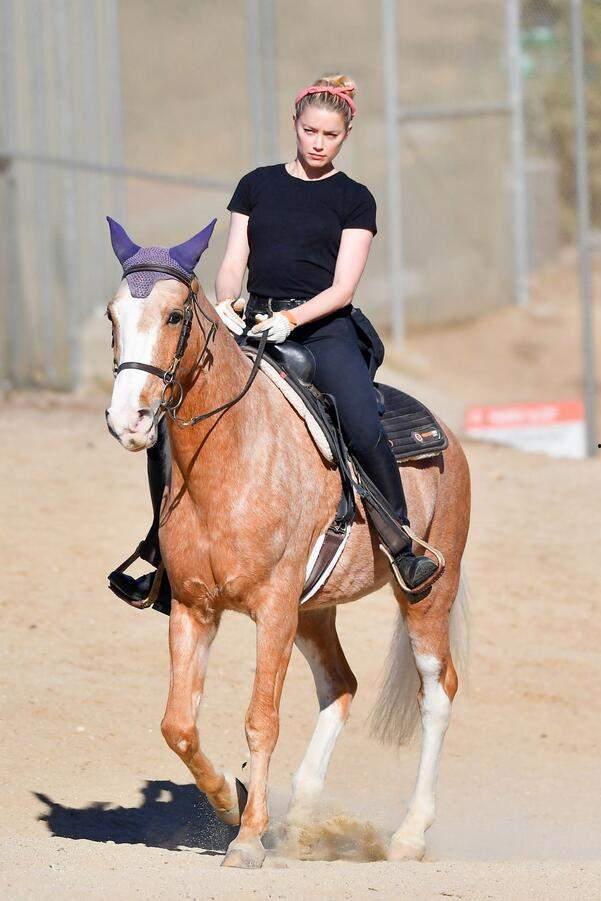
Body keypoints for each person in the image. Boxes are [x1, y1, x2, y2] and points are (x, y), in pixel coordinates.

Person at [109, 73, 438, 610]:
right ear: (295, 125)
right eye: (309, 130)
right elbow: (234, 259)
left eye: (329, 136)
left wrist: (291, 321)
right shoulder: (256, 185)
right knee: (176, 421)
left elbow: (343, 287)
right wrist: (228, 303)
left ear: (344, 136)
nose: (317, 142)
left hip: (323, 330)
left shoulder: (355, 200)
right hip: (252, 324)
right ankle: (160, 553)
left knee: (359, 416)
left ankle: (401, 539)